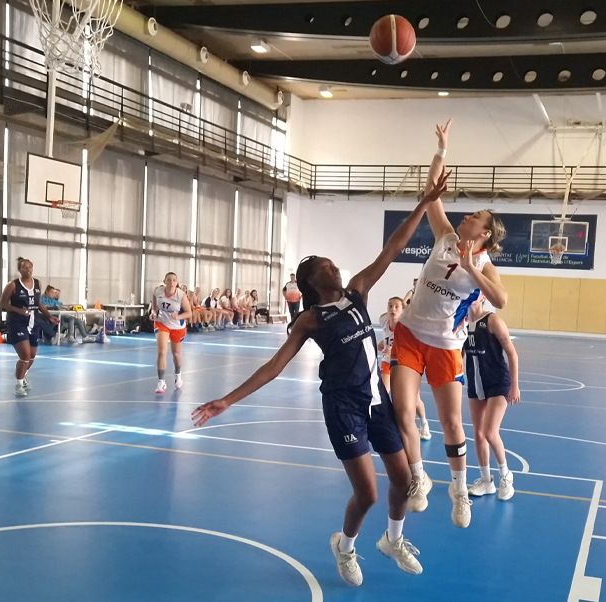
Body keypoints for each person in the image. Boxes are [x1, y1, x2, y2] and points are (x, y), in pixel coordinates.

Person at [192, 170, 450, 587]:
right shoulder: (310, 320)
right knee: (367, 493)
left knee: (404, 481)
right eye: (327, 266)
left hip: (376, 402)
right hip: (343, 407)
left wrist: (423, 203)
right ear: (314, 280)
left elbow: (394, 246)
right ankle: (344, 547)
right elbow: (274, 367)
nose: (335, 266)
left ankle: (392, 540)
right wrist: (228, 399)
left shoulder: (359, 292)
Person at [390, 118, 508, 529]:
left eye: (475, 216)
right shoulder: (443, 236)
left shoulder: (486, 263)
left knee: (451, 423)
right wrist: (441, 149)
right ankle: (418, 479)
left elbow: (501, 299)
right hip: (408, 332)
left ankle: (460, 492)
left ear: (486, 233)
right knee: (402, 409)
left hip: (444, 344)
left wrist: (473, 270)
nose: (466, 216)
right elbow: (432, 190)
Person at [463, 294, 520, 501]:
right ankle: (486, 481)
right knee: (478, 434)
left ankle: (506, 475)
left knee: (489, 432)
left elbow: (512, 353)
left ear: (483, 296)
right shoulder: (461, 322)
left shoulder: (493, 321)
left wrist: (515, 385)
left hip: (498, 384)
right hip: (476, 383)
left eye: (475, 293)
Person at [0, 257, 59, 396]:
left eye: (30, 266)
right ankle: (19, 385)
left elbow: (38, 304)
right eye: (24, 267)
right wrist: (18, 310)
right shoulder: (13, 285)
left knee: (31, 356)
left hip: (33, 322)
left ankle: (22, 374)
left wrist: (49, 316)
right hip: (17, 323)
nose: (28, 269)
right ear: (19, 270)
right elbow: (3, 303)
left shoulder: (37, 283)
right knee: (25, 355)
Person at [379, 296, 431, 441]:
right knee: (383, 393)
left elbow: (414, 346)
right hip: (388, 362)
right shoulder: (384, 321)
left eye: (396, 306)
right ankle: (390, 426)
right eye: (390, 306)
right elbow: (385, 337)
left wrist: (395, 348)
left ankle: (424, 423)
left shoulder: (408, 326)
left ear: (403, 310)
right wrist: (382, 344)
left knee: (414, 400)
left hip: (405, 364)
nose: (392, 309)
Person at [151, 272, 193, 394]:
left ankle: (178, 374)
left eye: (174, 280)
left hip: (177, 326)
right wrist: (154, 311)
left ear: (177, 282)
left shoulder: (181, 295)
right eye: (169, 280)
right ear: (164, 281)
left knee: (176, 353)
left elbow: (189, 313)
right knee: (162, 351)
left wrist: (178, 317)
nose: (171, 282)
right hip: (162, 323)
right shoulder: (158, 291)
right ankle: (161, 382)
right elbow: (154, 300)